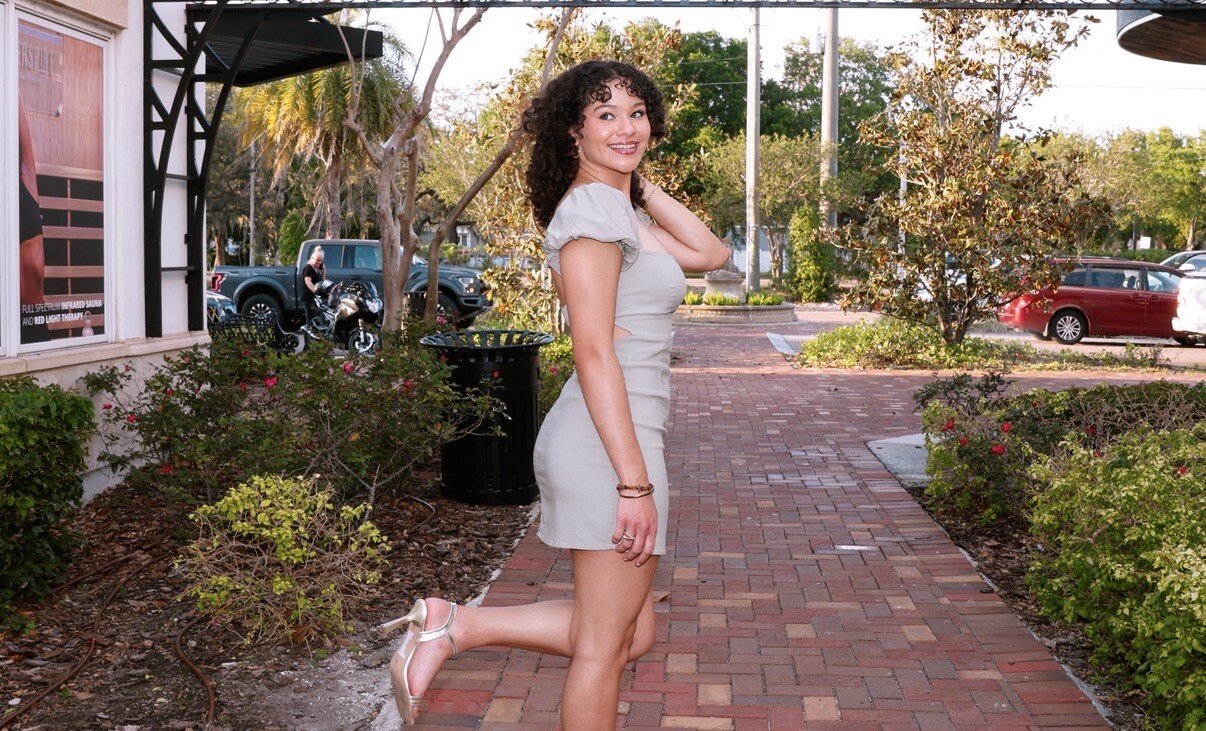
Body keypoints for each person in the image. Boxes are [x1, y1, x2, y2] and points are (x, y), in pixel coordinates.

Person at [383, 60, 730, 729]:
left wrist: (635, 179)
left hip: (618, 432)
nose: (628, 127)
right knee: (603, 649)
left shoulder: (614, 207)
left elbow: (710, 253)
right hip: (610, 444)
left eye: (637, 113)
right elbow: (592, 349)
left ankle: (455, 625)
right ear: (574, 130)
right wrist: (634, 483)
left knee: (631, 635)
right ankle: (454, 627)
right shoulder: (594, 210)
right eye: (606, 115)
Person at [301, 246, 326, 327]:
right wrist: (315, 291)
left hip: (315, 299)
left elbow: (322, 282)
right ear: (312, 258)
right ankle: (308, 333)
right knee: (311, 320)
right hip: (309, 298)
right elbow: (308, 281)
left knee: (317, 319)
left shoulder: (316, 269)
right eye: (317, 260)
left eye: (321, 261)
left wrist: (323, 271)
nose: (319, 262)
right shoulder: (309, 268)